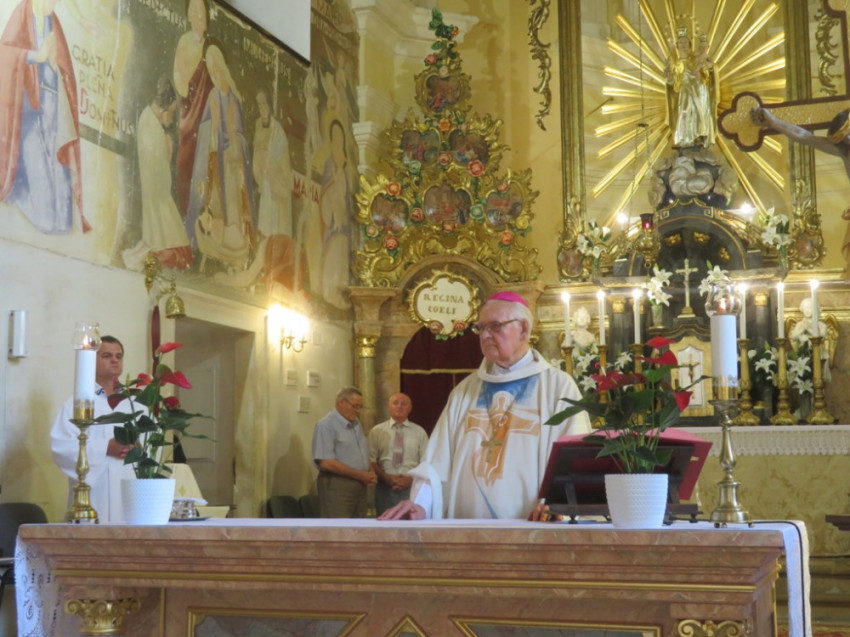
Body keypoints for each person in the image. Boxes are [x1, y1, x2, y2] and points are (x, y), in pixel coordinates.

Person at [378, 292, 592, 521]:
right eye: (480, 328)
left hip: (534, 528)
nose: (485, 335)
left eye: (495, 326)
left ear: (523, 330)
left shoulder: (557, 387)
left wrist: (558, 504)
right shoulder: (464, 392)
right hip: (467, 528)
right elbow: (437, 461)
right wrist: (420, 504)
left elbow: (574, 459)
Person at [0, 0, 88, 234]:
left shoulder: (53, 22)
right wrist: (35, 56)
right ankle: (16, 193)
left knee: (64, 222)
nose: (55, 4)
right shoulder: (23, 13)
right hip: (29, 116)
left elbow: (65, 71)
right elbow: (4, 53)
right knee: (47, 220)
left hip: (53, 113)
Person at [50, 336, 136, 522]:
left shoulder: (134, 404)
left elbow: (151, 445)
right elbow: (61, 447)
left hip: (128, 491)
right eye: (106, 356)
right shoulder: (77, 404)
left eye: (119, 356)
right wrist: (106, 447)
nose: (114, 360)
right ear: (91, 360)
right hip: (95, 494)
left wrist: (136, 447)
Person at [751, 105, 850, 266]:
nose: (849, 140)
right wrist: (773, 122)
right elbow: (804, 136)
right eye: (846, 138)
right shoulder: (845, 153)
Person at [123, 75, 192, 270]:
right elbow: (157, 173)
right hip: (157, 196)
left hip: (158, 195)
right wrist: (167, 151)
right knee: (173, 247)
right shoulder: (152, 127)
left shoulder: (151, 122)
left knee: (175, 245)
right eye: (172, 111)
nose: (171, 118)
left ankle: (144, 254)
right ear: (165, 108)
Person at [311, 387, 377, 517]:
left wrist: (370, 472)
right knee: (340, 525)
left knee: (359, 526)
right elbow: (326, 462)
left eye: (360, 407)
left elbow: (359, 453)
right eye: (355, 406)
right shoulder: (326, 425)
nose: (358, 411)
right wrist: (360, 474)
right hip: (338, 485)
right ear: (341, 402)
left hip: (360, 485)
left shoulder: (356, 423)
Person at [368, 393, 429, 515]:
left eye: (403, 404)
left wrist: (410, 480)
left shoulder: (420, 432)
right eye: (395, 403)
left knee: (410, 522)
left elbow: (426, 462)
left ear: (410, 408)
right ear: (389, 407)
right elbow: (371, 460)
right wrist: (387, 478)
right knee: (385, 521)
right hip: (385, 487)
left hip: (412, 486)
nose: (399, 406)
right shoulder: (377, 431)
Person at [665, 30, 716, 149]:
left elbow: (707, 73)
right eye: (680, 43)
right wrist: (669, 77)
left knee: (699, 111)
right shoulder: (677, 63)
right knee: (684, 111)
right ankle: (683, 138)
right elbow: (673, 82)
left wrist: (708, 68)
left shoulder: (695, 58)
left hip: (698, 88)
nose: (683, 45)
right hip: (685, 89)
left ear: (689, 45)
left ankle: (699, 136)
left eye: (685, 42)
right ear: (677, 46)